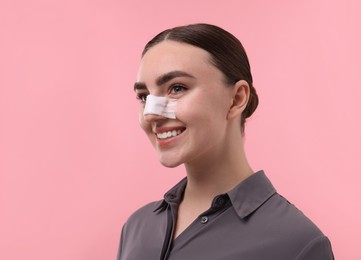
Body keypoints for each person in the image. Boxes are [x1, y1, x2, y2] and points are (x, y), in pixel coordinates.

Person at [117, 23, 334, 260]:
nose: (152, 114)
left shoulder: (297, 243)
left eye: (177, 88)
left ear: (237, 99)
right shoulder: (137, 227)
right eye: (144, 97)